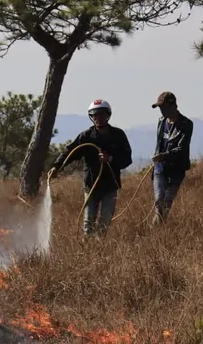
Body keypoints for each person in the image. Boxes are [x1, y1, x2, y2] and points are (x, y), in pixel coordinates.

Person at [47, 99, 133, 236]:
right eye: (95, 115)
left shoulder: (118, 135)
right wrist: (57, 167)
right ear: (91, 117)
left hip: (110, 186)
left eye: (101, 114)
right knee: (88, 223)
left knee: (104, 222)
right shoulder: (86, 136)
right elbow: (70, 152)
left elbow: (127, 158)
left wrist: (110, 159)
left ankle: (99, 248)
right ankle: (88, 247)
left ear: (107, 115)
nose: (98, 118)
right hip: (91, 186)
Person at [150, 91, 194, 225]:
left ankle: (158, 228)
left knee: (167, 202)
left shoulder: (186, 124)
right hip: (160, 168)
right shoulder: (161, 122)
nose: (161, 111)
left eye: (163, 107)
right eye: (159, 108)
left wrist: (164, 156)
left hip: (176, 169)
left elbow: (182, 148)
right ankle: (157, 229)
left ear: (173, 106)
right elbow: (159, 144)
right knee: (158, 201)